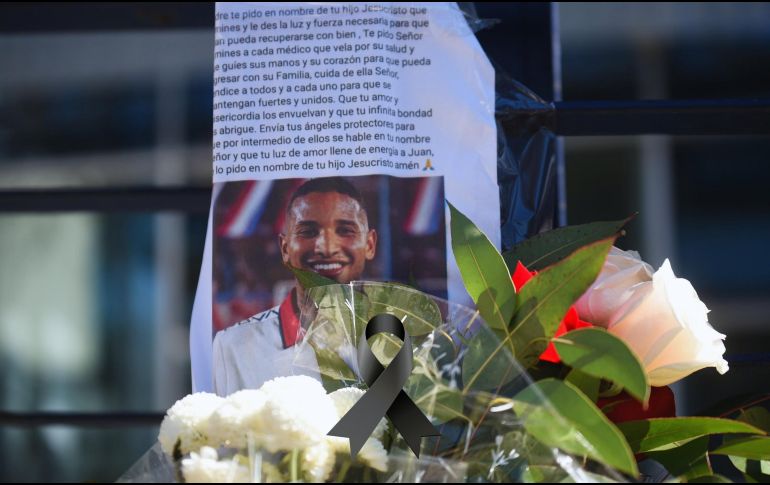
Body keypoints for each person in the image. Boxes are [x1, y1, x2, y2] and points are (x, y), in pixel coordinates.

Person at [212, 177, 377, 395]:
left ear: (370, 244)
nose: (327, 248)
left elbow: (421, 427)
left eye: (345, 230)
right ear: (285, 248)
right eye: (308, 232)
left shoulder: (409, 338)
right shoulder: (233, 346)